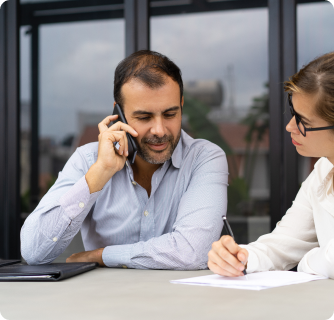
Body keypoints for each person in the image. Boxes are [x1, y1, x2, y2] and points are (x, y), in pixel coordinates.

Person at [21, 50, 228, 269]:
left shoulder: (204, 158)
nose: (159, 130)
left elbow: (191, 252)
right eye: (144, 117)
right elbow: (34, 251)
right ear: (118, 114)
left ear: (181, 106)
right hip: (105, 301)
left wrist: (102, 256)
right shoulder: (88, 160)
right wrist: (100, 173)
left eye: (170, 114)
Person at [208, 52, 334, 279]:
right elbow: (283, 243)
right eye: (293, 113)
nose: (289, 127)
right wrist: (240, 257)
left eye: (303, 122)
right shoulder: (323, 173)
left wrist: (307, 261)